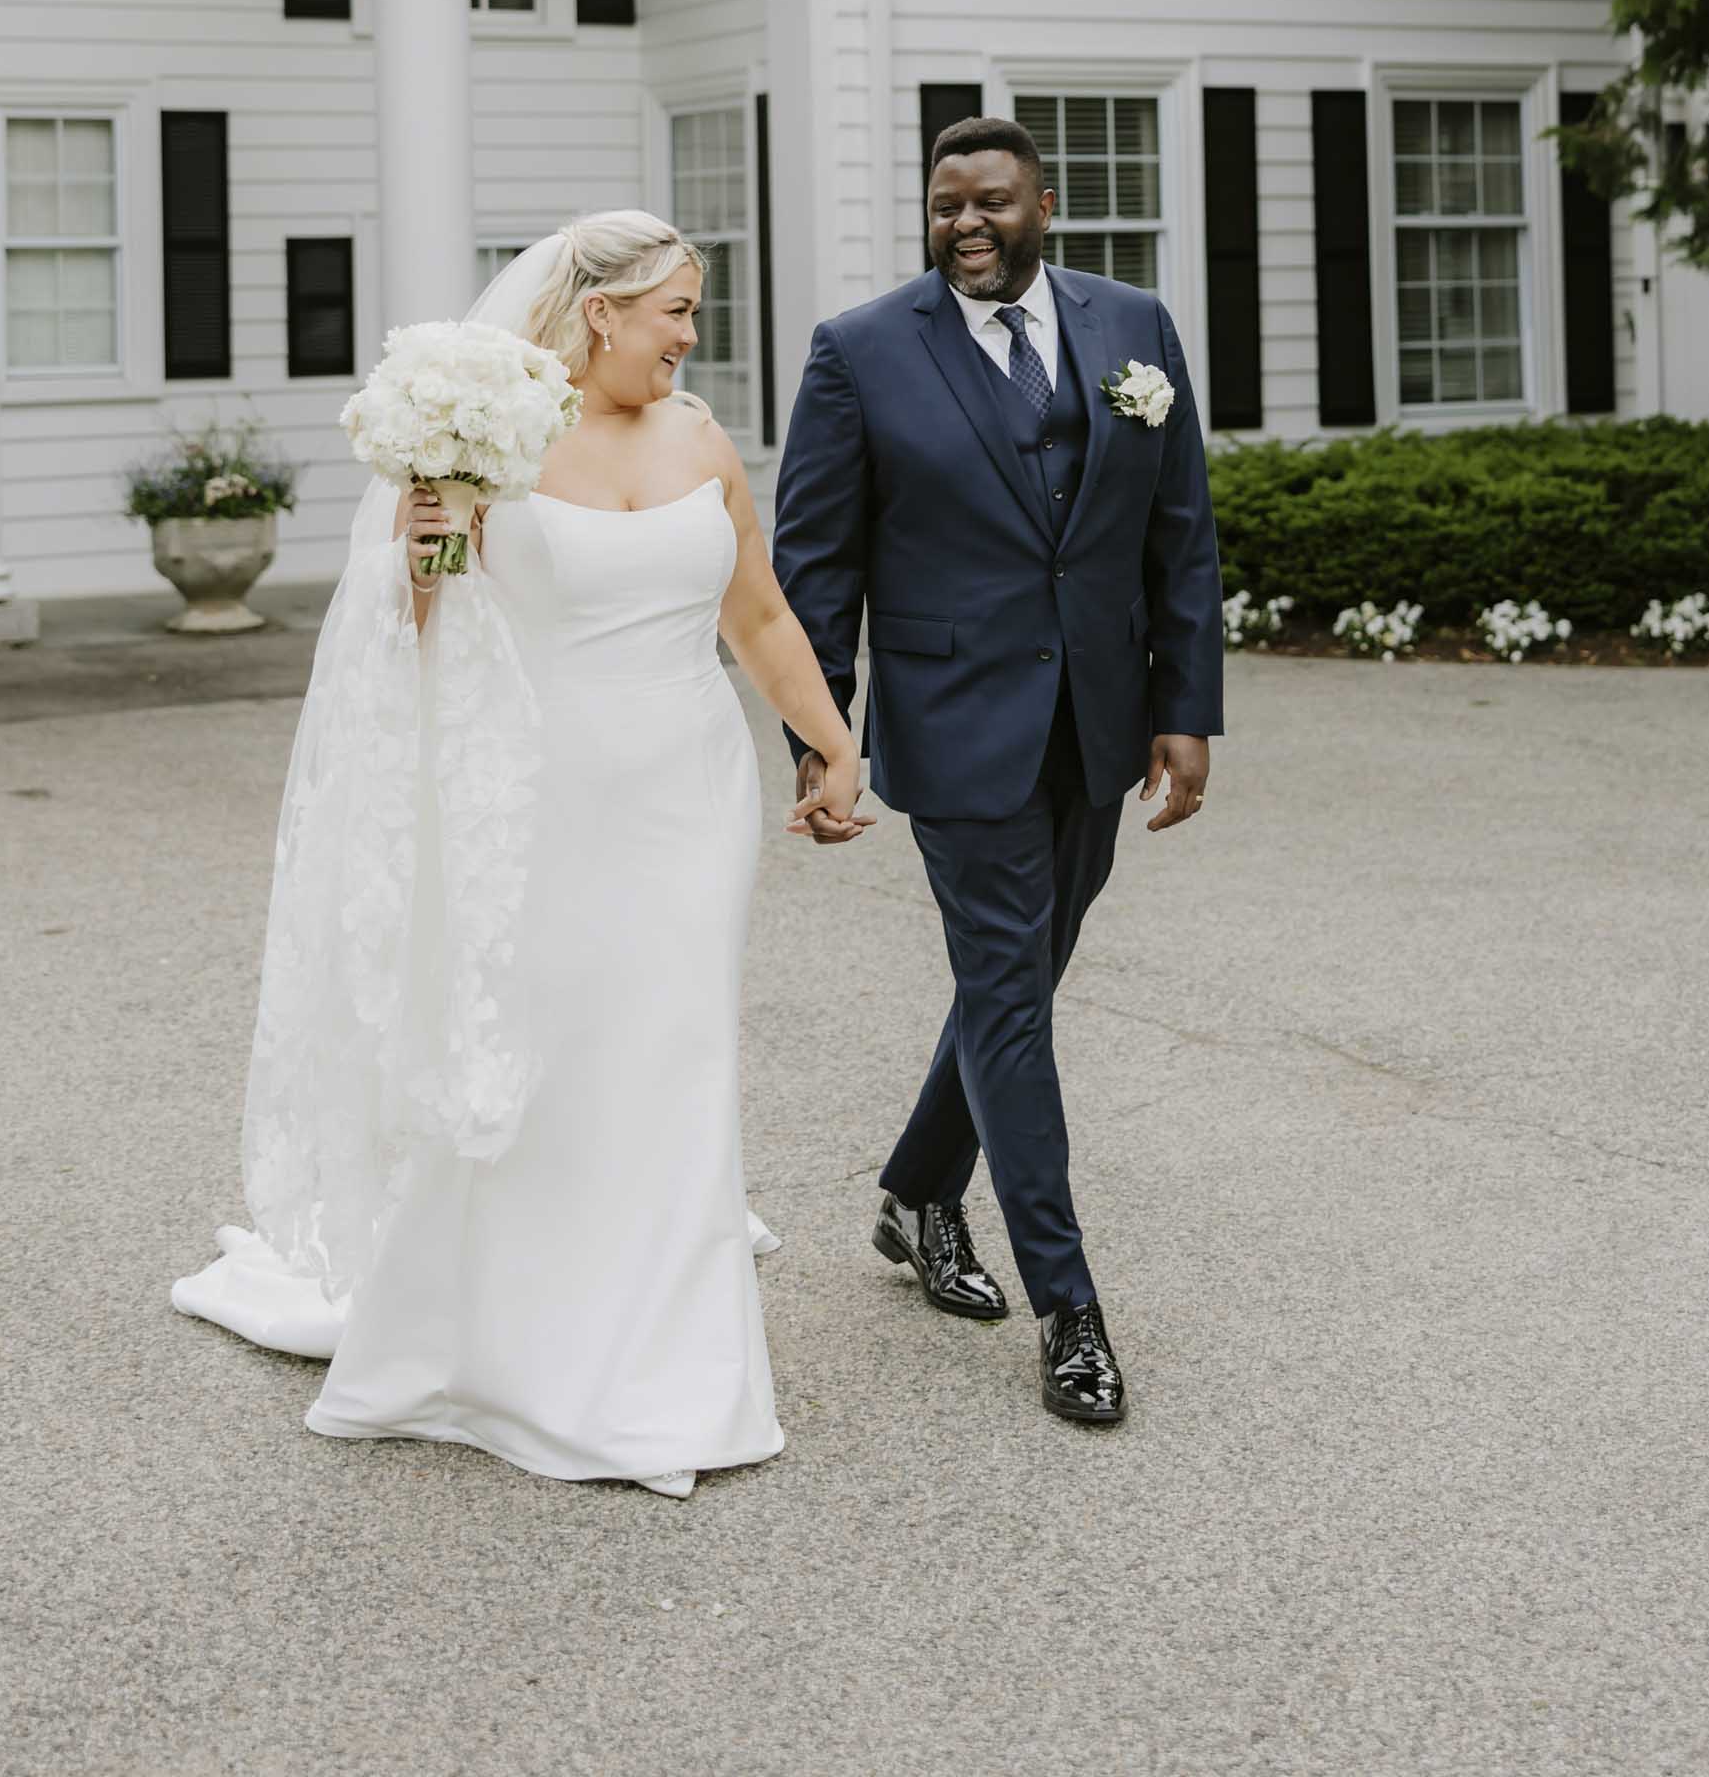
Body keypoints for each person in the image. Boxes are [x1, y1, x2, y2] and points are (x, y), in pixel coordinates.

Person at [175, 212, 866, 1499]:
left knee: (676, 1047)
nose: (689, 336)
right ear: (600, 312)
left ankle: (669, 1347)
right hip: (543, 797)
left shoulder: (699, 436)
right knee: (544, 1048)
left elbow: (757, 610)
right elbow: (414, 626)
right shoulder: (490, 437)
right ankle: (504, 1341)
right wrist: (428, 528)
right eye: (674, 310)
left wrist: (831, 743)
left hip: (687, 791)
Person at [771, 117, 1223, 1426]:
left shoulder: (1134, 324)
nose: (965, 223)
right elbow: (816, 568)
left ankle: (917, 1192)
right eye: (942, 204)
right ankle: (1070, 1308)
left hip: (1098, 720)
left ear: (1046, 203)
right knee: (1013, 1006)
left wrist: (1184, 707)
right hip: (955, 726)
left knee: (1013, 981)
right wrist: (822, 741)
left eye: (990, 202)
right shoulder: (860, 352)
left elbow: (1179, 532)